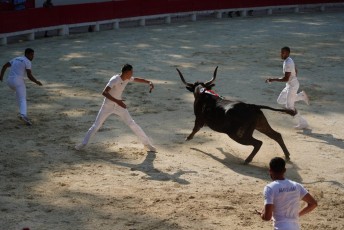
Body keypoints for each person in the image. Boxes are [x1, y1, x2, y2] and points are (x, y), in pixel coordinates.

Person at [75, 64, 157, 152]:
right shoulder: (114, 80)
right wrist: (118, 101)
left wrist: (149, 82)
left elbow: (136, 79)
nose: (132, 74)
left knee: (132, 123)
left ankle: (147, 144)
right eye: (131, 72)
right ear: (126, 72)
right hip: (107, 106)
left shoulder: (127, 78)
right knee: (96, 126)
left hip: (119, 106)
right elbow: (104, 93)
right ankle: (83, 144)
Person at [256, 157, 318, 230]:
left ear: (270, 171)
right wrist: (296, 215)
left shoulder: (270, 188)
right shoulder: (297, 185)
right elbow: (313, 204)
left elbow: (267, 217)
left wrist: (262, 214)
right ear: (284, 170)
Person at [266, 47, 310, 129]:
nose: (282, 54)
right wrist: (293, 78)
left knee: (290, 108)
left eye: (284, 53)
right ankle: (301, 96)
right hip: (289, 85)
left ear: (288, 53)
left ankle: (303, 122)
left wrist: (273, 79)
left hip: (292, 86)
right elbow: (296, 70)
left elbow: (285, 78)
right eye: (281, 52)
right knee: (280, 101)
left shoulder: (288, 63)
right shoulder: (288, 60)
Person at [0, 48, 43, 125]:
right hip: (18, 81)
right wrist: (37, 82)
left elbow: (4, 66)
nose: (33, 56)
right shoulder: (27, 61)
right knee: (23, 99)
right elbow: (29, 76)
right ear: (27, 54)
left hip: (9, 81)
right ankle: (23, 115)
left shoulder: (17, 58)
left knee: (19, 97)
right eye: (31, 55)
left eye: (33, 55)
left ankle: (21, 113)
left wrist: (1, 76)